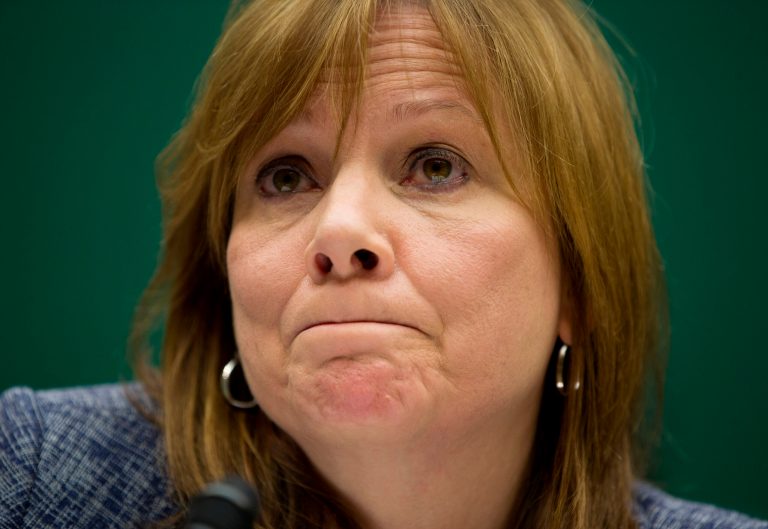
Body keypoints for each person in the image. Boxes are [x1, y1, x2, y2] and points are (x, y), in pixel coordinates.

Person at [0, 0, 766, 528]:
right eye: (287, 176)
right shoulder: (33, 480)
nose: (338, 230)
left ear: (578, 282)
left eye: (435, 166)